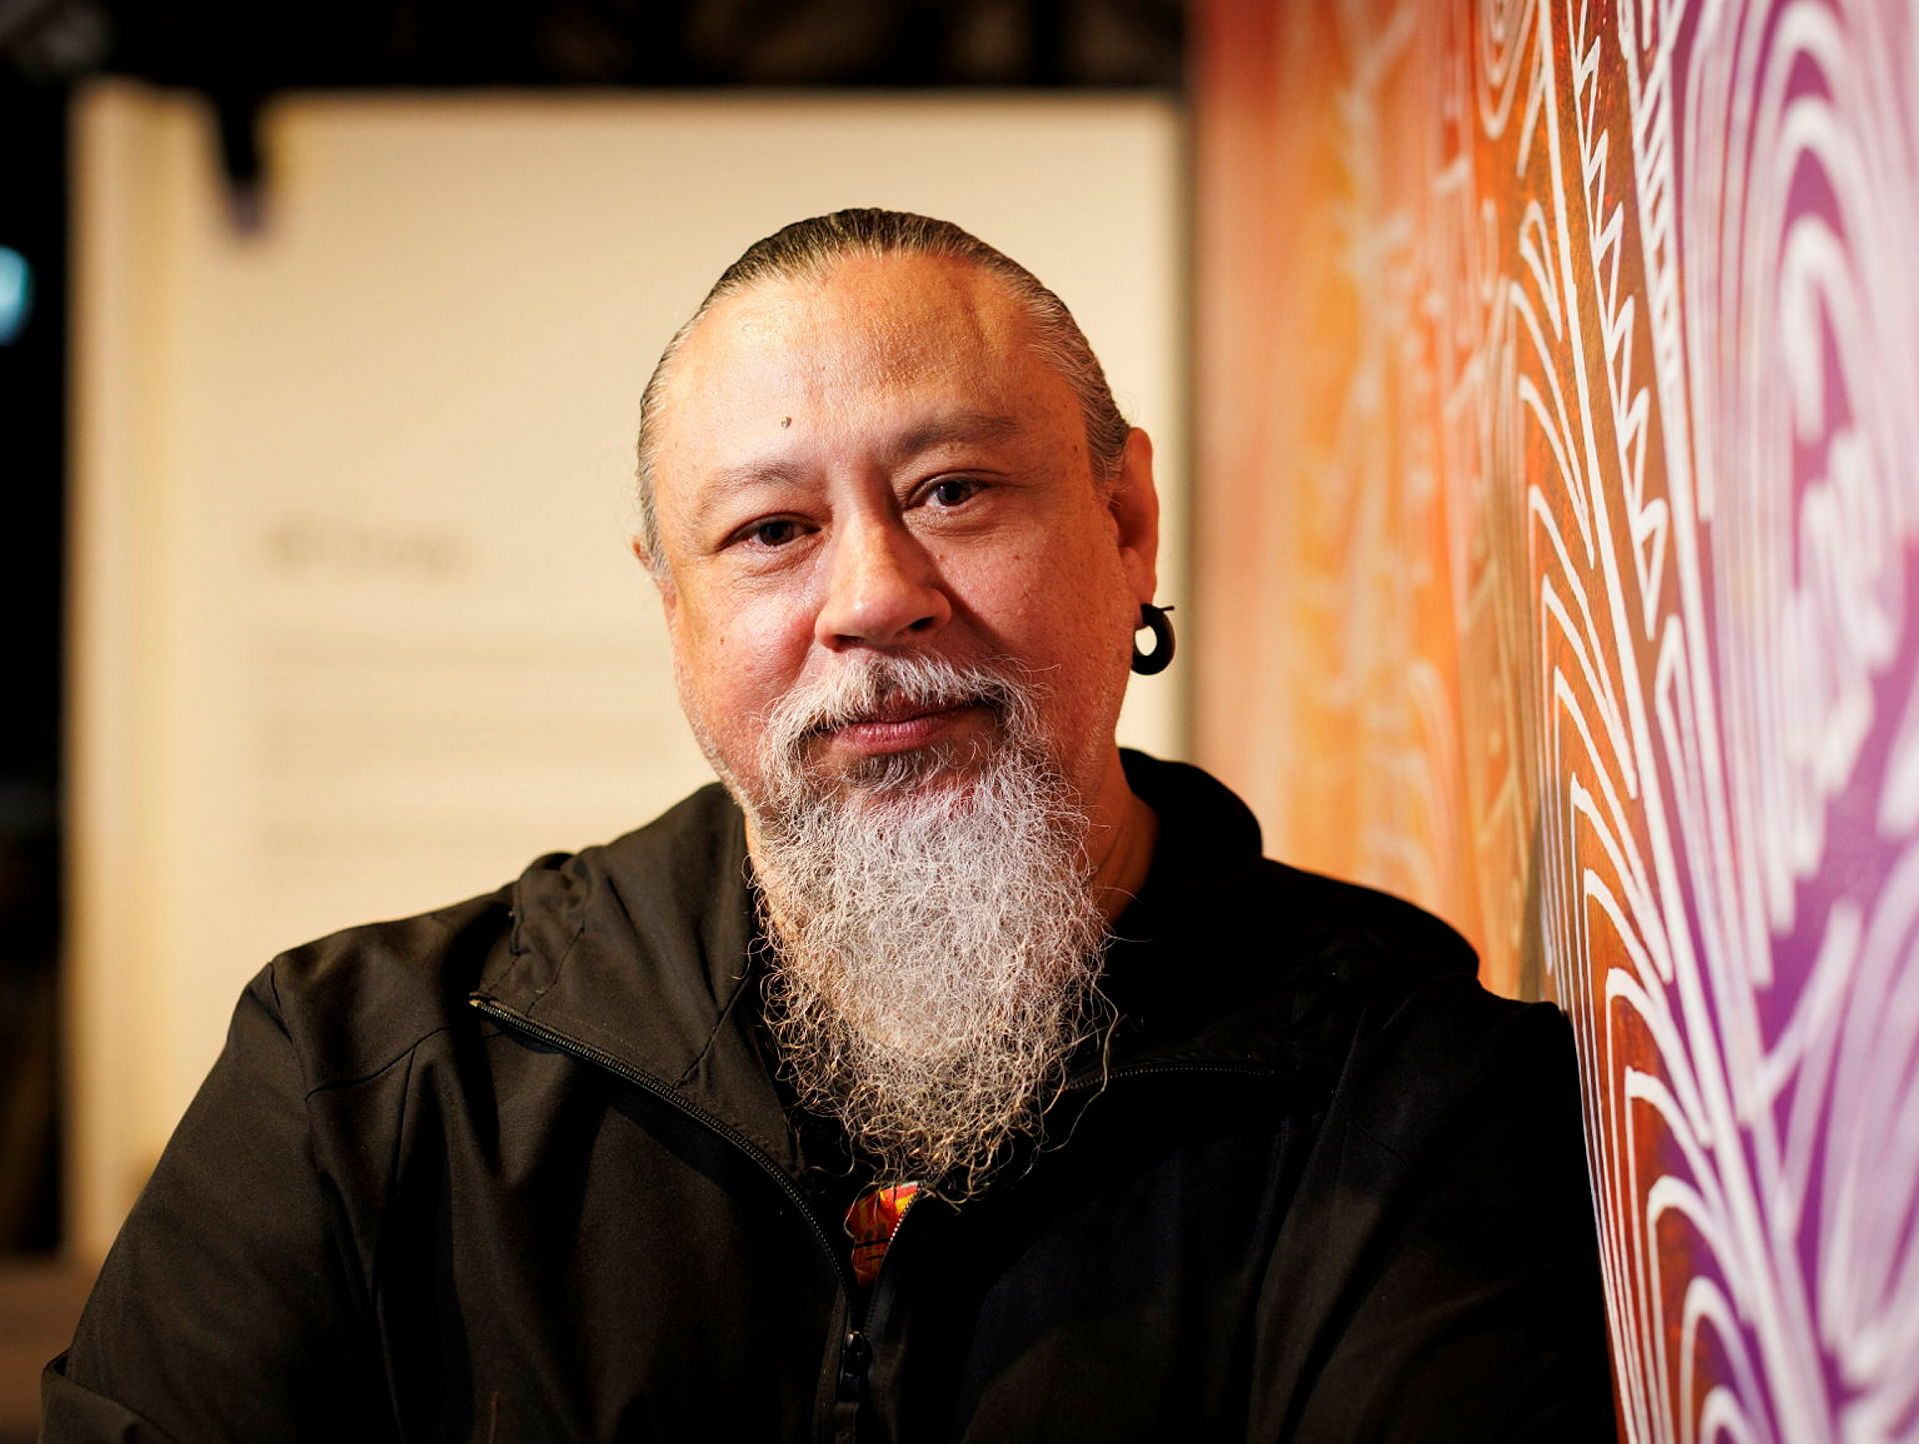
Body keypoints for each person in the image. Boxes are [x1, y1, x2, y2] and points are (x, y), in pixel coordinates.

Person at [43, 209, 1610, 1440]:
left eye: (951, 492)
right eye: (771, 530)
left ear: (1127, 520)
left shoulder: (1406, 1092)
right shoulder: (360, 1081)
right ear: (677, 612)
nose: (872, 597)